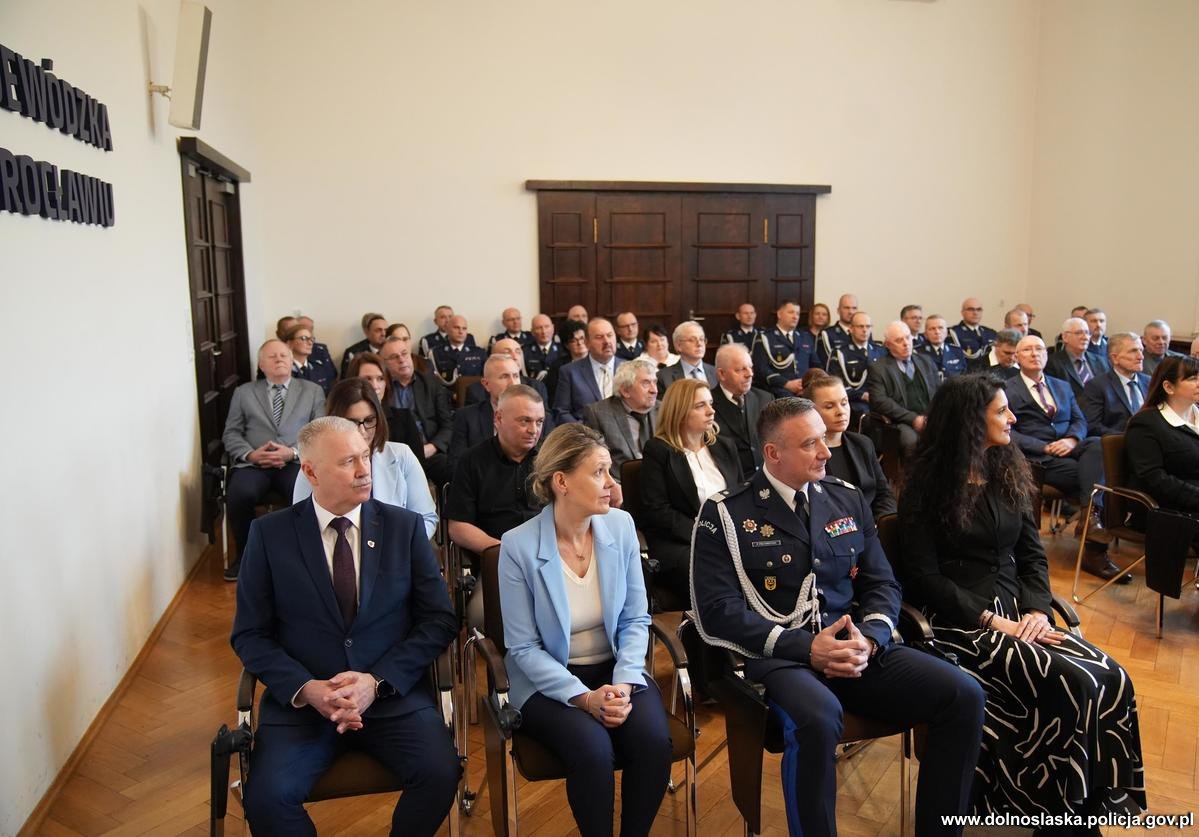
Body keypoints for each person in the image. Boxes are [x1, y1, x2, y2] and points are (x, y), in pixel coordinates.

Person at [690, 397, 985, 837]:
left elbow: (882, 583)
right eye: (810, 444)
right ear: (773, 453)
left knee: (963, 694)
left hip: (854, 647)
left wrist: (870, 637)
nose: (826, 452)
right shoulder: (727, 513)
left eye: (823, 440)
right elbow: (717, 612)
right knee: (818, 716)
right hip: (781, 657)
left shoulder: (845, 498)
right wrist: (809, 647)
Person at [897, 374, 1145, 831]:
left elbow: (1032, 554)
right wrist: (994, 621)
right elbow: (923, 578)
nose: (1012, 418)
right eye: (1001, 411)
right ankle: (1058, 816)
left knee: (1112, 675)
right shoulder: (925, 487)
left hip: (1018, 613)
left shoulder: (1007, 469)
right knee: (1075, 683)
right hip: (959, 625)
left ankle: (1087, 810)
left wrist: (1035, 610)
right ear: (972, 422)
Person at [231, 417, 460, 836]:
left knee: (441, 773)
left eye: (364, 457)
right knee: (266, 800)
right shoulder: (268, 535)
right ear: (311, 471)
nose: (363, 471)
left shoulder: (403, 527)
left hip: (390, 698)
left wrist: (376, 681)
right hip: (304, 707)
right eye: (347, 462)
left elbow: (439, 619)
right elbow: (249, 634)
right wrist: (307, 689)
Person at [498, 423, 671, 837]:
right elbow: (523, 647)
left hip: (615, 670)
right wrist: (586, 698)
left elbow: (635, 619)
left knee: (653, 743)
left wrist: (623, 686)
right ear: (561, 482)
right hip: (549, 681)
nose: (612, 484)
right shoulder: (518, 546)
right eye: (598, 473)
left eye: (610, 471)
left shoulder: (621, 526)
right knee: (592, 751)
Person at [1006, 336, 1127, 583]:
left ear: (1047, 354)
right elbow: (1008, 430)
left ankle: (1089, 518)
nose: (1034, 353)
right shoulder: (1007, 388)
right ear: (1017, 357)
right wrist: (1043, 446)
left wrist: (1071, 439)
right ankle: (1093, 546)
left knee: (1097, 444)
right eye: (1027, 349)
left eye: (1039, 348)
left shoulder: (1061, 385)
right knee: (1103, 480)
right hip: (1038, 457)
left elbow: (1080, 420)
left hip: (1071, 446)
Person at [223, 340, 326, 580]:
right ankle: (246, 556)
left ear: (291, 361)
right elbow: (231, 432)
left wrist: (293, 452)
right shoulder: (243, 392)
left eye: (283, 355)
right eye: (272, 356)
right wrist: (250, 454)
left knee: (303, 494)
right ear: (261, 364)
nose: (279, 359)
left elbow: (320, 431)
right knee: (240, 493)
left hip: (295, 462)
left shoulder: (312, 391)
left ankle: (296, 556)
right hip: (254, 463)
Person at [638, 378, 742, 609]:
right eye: (700, 405)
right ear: (680, 411)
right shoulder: (658, 450)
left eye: (711, 403)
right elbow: (657, 511)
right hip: (681, 542)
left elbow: (741, 495)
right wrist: (704, 533)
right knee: (711, 567)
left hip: (729, 536)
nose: (711, 411)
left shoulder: (725, 445)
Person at [293, 380, 438, 539]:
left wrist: (400, 548)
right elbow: (301, 522)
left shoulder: (402, 455)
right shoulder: (315, 465)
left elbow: (426, 518)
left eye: (369, 420)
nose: (362, 431)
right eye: (352, 422)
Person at [446, 385, 546, 555]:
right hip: (495, 555)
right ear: (499, 418)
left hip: (547, 553)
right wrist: (505, 552)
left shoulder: (550, 459)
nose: (533, 430)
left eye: (539, 422)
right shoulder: (472, 461)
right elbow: (458, 527)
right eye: (525, 421)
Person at [805, 372, 896, 517]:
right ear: (812, 411)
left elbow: (883, 493)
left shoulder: (863, 443)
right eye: (829, 406)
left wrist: (882, 520)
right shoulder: (805, 453)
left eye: (844, 403)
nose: (841, 412)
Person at [1124, 355, 1199, 516]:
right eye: (1192, 379)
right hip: (1169, 509)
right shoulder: (1145, 423)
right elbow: (1154, 479)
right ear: (1169, 387)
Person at [379, 338, 454, 486]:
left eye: (404, 354)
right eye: (394, 357)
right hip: (394, 458)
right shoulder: (381, 388)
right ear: (384, 364)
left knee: (450, 468)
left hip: (429, 454)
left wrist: (433, 447)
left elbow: (448, 425)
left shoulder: (431, 384)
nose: (401, 360)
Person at [865, 320, 940, 457]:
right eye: (899, 340)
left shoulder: (926, 361)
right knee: (911, 441)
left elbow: (939, 393)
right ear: (888, 345)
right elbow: (879, 401)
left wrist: (934, 416)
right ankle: (914, 472)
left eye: (907, 337)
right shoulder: (878, 368)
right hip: (900, 422)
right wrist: (914, 419)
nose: (906, 343)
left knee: (955, 432)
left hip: (930, 417)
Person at [583, 358, 659, 482]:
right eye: (646, 383)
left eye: (654, 382)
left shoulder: (663, 409)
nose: (654, 390)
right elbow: (595, 462)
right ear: (625, 390)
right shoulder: (598, 413)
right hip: (621, 484)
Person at [344, 351, 423, 468]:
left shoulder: (404, 418)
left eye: (381, 379)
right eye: (368, 379)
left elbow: (417, 465)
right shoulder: (343, 421)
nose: (375, 386)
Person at [450, 354, 523, 471]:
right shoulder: (466, 417)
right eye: (504, 376)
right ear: (486, 384)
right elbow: (456, 466)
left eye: (516, 376)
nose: (513, 383)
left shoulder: (539, 417)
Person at [711, 343, 772, 475]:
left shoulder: (765, 398)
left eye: (750, 367)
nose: (750, 374)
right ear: (721, 374)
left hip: (766, 476)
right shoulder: (708, 404)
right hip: (731, 480)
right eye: (741, 369)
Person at [553, 317, 623, 424]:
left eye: (610, 335)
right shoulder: (569, 372)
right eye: (599, 337)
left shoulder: (629, 368)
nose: (607, 341)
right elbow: (561, 412)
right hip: (585, 432)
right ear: (587, 343)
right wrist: (583, 431)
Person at [1082, 332, 1150, 437]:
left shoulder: (1150, 382)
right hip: (1117, 441)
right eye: (1133, 351)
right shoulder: (1097, 386)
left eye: (1141, 350)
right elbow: (1093, 426)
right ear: (1115, 358)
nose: (1141, 357)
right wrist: (1128, 437)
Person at [827, 310, 885, 425]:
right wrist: (862, 395)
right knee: (867, 417)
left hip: (880, 398)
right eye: (860, 326)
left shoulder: (880, 351)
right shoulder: (840, 353)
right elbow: (835, 384)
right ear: (851, 328)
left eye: (868, 326)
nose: (865, 330)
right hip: (855, 400)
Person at [753, 300, 818, 398]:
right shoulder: (765, 337)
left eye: (797, 313)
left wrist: (808, 385)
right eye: (791, 312)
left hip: (805, 390)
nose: (795, 316)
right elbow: (761, 368)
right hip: (777, 390)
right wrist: (786, 383)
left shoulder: (805, 336)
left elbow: (816, 364)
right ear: (779, 314)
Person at [1047, 316, 1111, 401]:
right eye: (1079, 333)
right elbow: (1057, 396)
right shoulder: (1052, 363)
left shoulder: (1101, 361)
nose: (1085, 337)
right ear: (1065, 337)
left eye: (1087, 333)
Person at [657, 320, 717, 394]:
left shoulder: (716, 373)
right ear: (678, 345)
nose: (699, 344)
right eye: (692, 340)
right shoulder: (664, 377)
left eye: (702, 339)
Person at [429, 315, 485, 386]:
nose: (461, 332)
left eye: (464, 328)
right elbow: (432, 383)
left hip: (473, 392)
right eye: (456, 328)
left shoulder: (479, 353)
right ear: (447, 329)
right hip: (446, 392)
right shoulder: (435, 353)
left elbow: (486, 379)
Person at [285, 322, 337, 396]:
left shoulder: (319, 368)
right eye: (303, 338)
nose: (310, 343)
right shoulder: (284, 369)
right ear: (289, 343)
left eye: (311, 339)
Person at [547, 319, 590, 403]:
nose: (579, 343)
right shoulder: (558, 367)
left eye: (582, 338)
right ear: (566, 345)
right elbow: (554, 397)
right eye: (573, 340)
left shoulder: (597, 359)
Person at [918, 314, 969, 380]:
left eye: (940, 328)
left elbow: (964, 377)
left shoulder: (957, 351)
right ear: (926, 334)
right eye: (932, 329)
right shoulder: (918, 353)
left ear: (946, 332)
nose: (937, 332)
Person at [948, 297, 996, 361]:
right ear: (962, 312)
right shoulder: (953, 333)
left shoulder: (991, 333)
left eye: (979, 309)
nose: (975, 313)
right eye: (971, 309)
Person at [340, 312, 388, 377]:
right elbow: (347, 380)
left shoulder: (393, 349)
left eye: (386, 330)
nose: (383, 334)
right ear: (366, 332)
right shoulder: (353, 353)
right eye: (378, 330)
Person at [815, 293, 857, 366]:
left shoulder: (864, 332)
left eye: (854, 308)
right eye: (846, 308)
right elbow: (826, 363)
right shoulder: (826, 334)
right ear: (838, 310)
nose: (851, 312)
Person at [526, 313, 564, 382]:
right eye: (539, 328)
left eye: (547, 327)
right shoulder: (525, 351)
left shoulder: (563, 350)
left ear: (553, 328)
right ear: (532, 332)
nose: (544, 331)